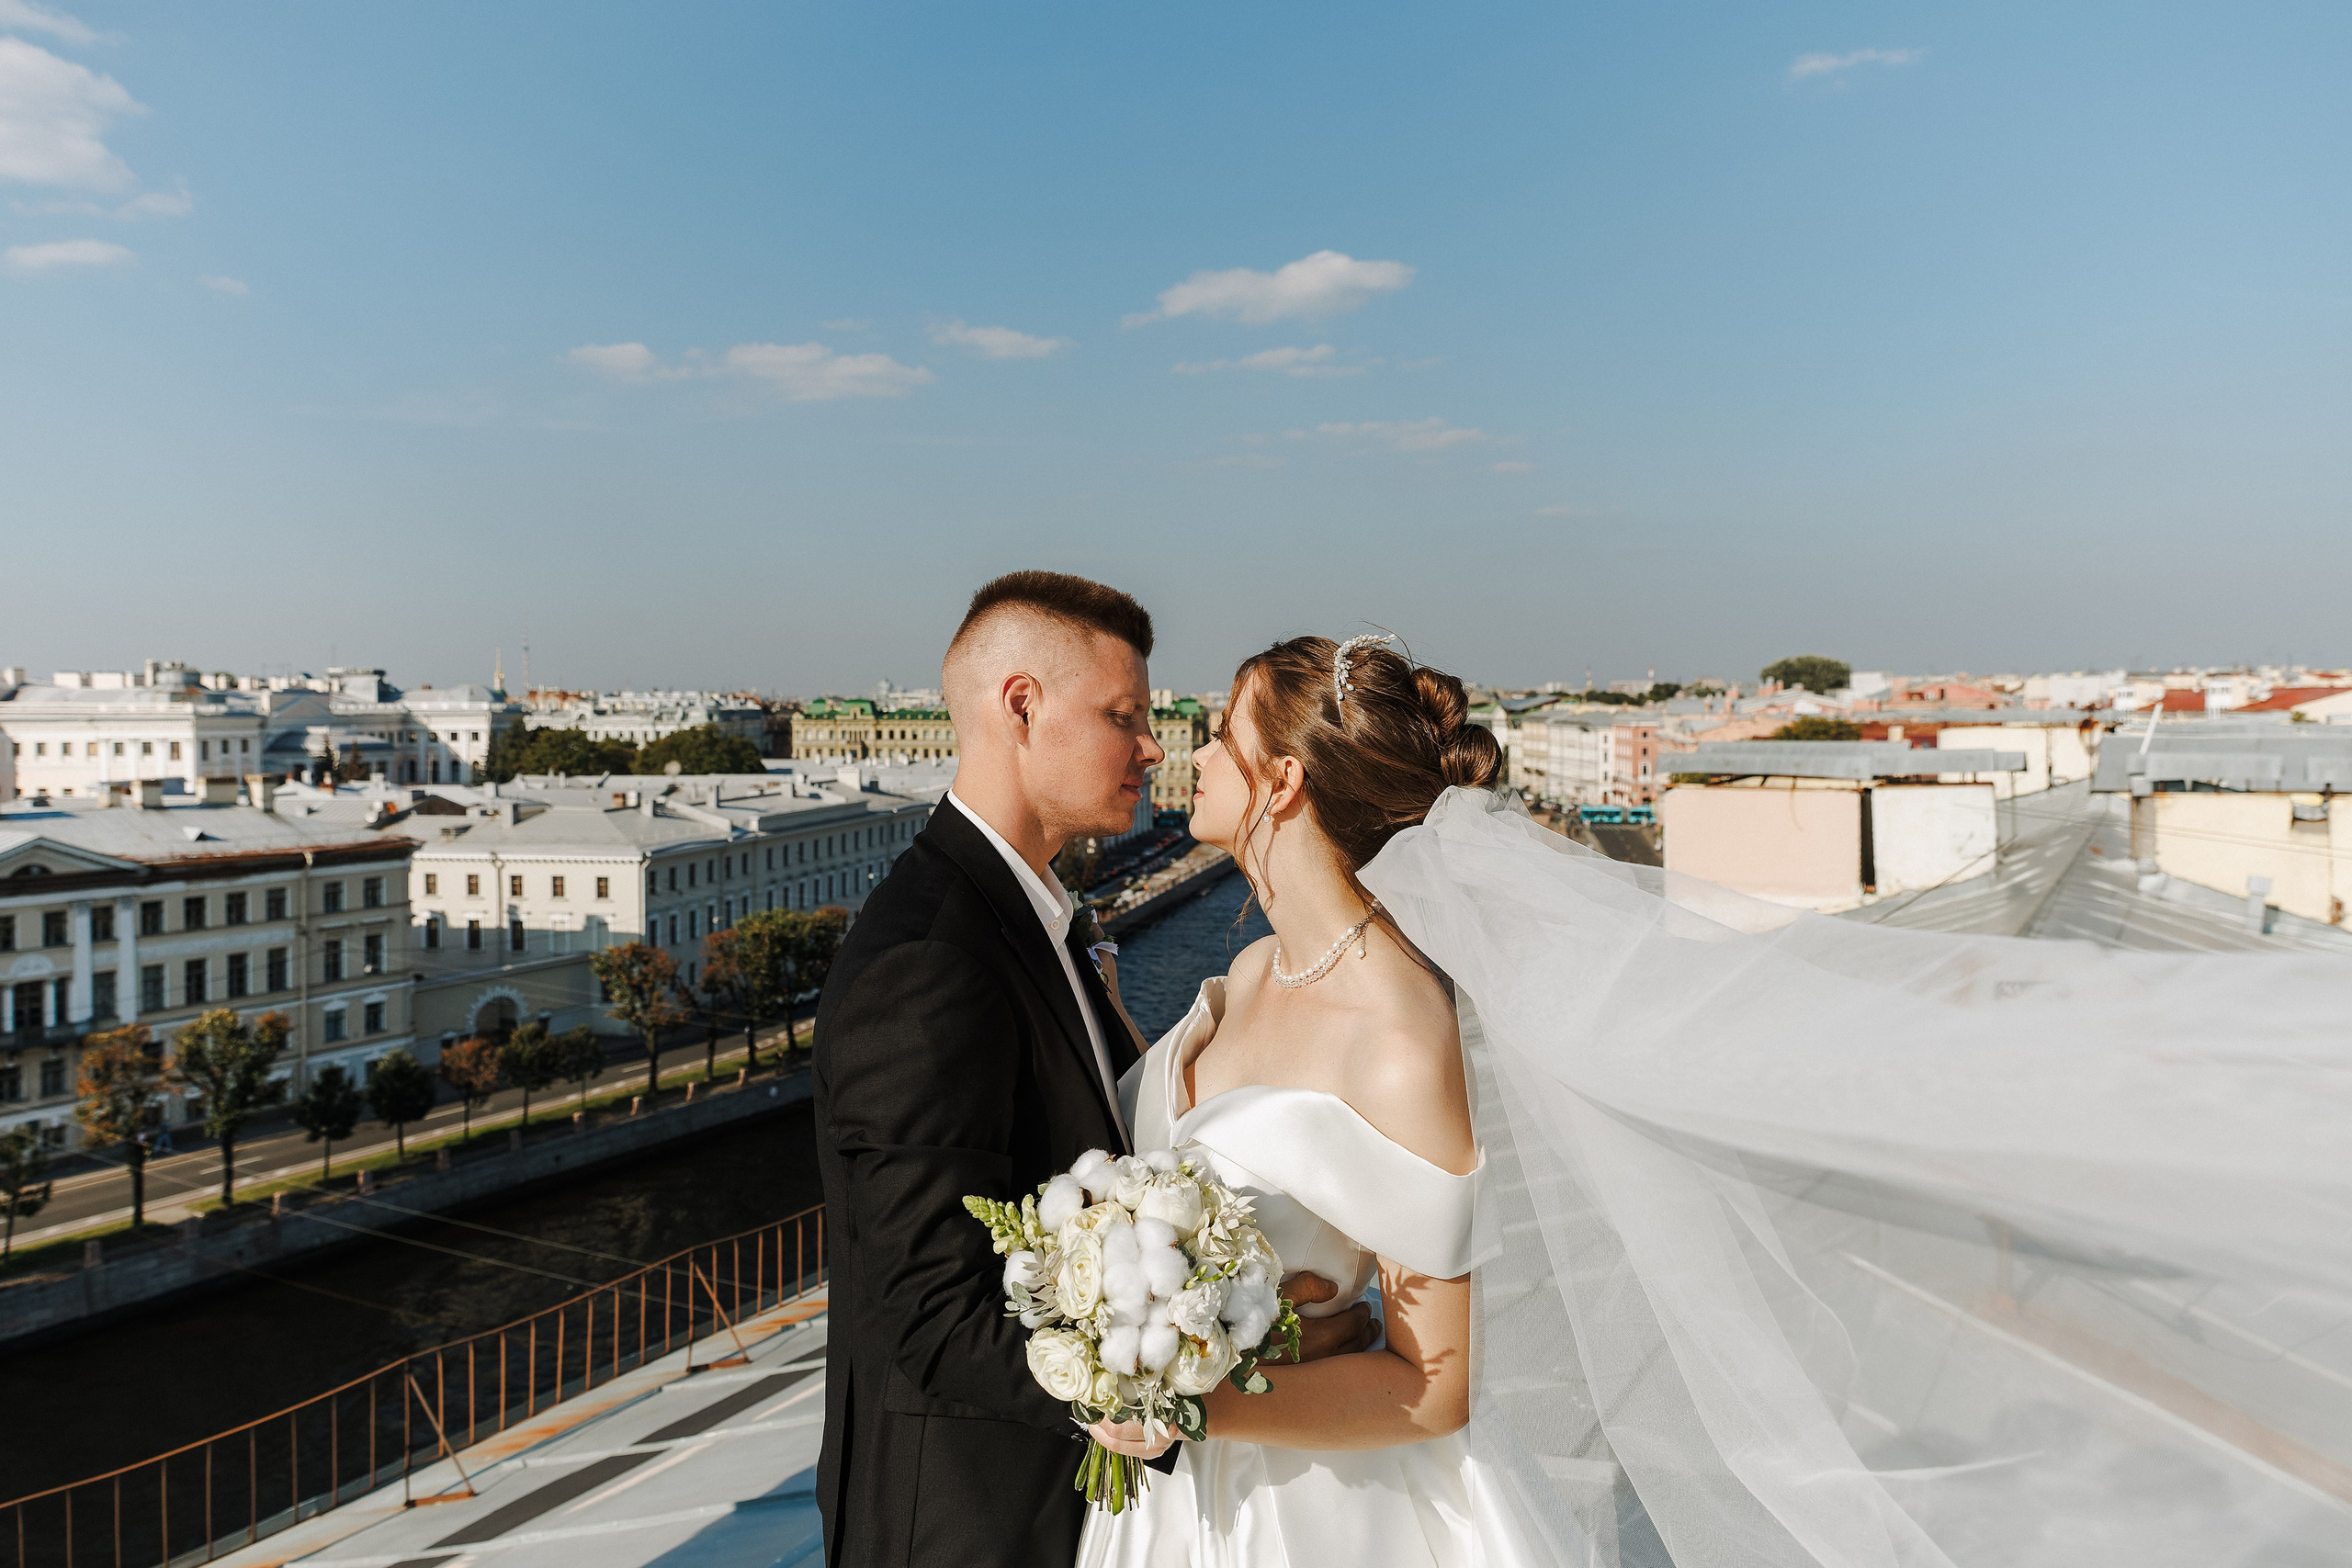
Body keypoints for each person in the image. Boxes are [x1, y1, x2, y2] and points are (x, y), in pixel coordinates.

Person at [1081, 633, 2352, 1568]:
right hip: (1181, 1497)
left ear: (1283, 782)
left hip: (1306, 1503)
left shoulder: (1399, 1036)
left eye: (1220, 735)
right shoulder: (1252, 972)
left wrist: (1185, 1402)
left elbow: (1436, 1384)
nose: (1194, 755)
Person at [812, 574, 1372, 1568]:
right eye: (1124, 716)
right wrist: (1197, 1374)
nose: (1152, 747)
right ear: (1020, 706)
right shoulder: (931, 959)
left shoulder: (1032, 921)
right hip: (972, 1528)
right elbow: (928, 1312)